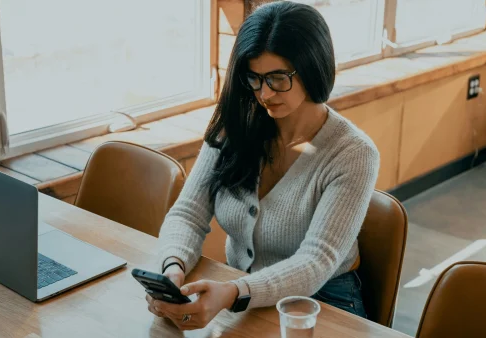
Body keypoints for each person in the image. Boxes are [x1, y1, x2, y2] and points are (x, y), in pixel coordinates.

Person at [145, 0, 380, 330]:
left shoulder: (353, 153)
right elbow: (188, 213)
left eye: (278, 78)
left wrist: (232, 293)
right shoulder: (236, 127)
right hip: (240, 293)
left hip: (323, 303)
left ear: (313, 67)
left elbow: (315, 262)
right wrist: (172, 268)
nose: (264, 93)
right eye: (254, 78)